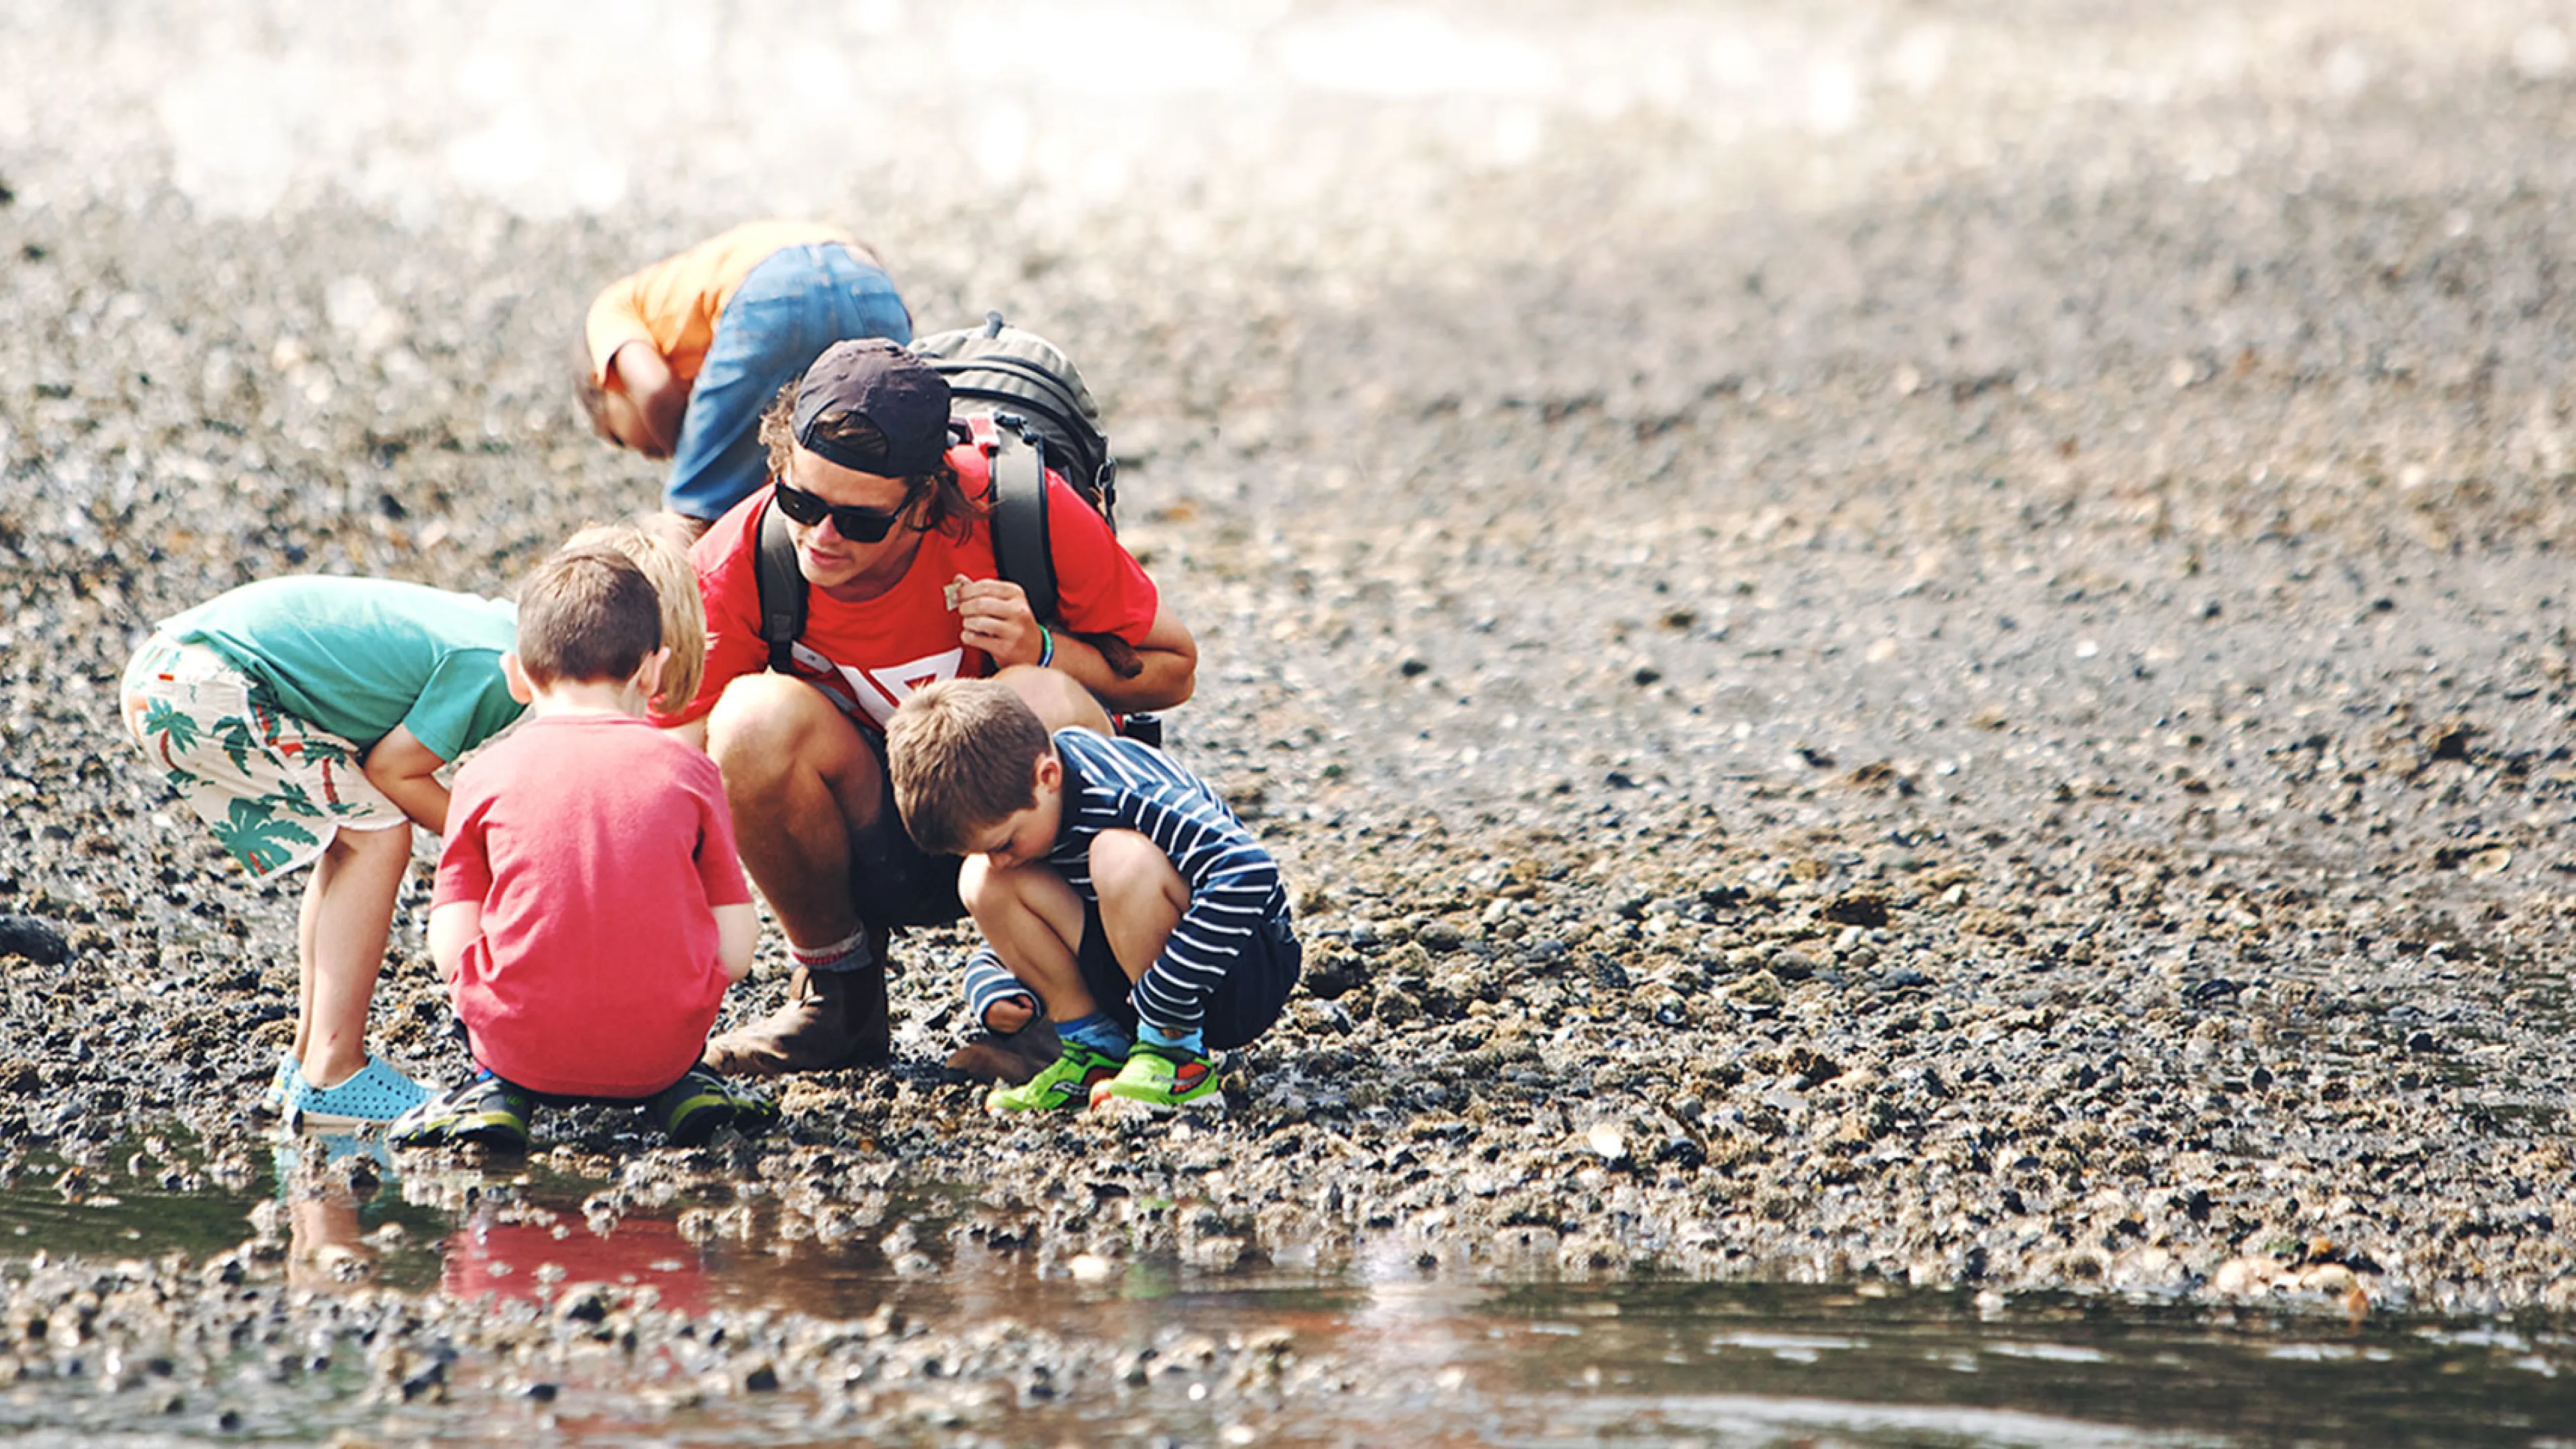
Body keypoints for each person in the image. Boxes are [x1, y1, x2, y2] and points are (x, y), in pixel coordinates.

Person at [657, 337, 1199, 1076]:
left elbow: (1173, 671)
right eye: (800, 501)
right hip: (869, 831)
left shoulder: (1019, 515)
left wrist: (1043, 646)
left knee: (1034, 694)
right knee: (749, 721)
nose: (822, 537)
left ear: (925, 499)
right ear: (780, 464)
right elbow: (661, 757)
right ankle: (837, 1001)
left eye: (859, 521)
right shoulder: (744, 559)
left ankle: (1069, 1013)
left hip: (1024, 827)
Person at [390, 529, 777, 1150]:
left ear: (517, 677)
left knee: (494, 999)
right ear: (655, 671)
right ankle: (678, 1087)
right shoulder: (692, 773)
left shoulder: (481, 775)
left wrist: (484, 995)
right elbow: (737, 947)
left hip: (520, 1042)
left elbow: (450, 938)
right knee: (669, 1022)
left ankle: (497, 1092)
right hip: (662, 1044)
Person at [121, 575, 524, 1126]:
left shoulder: (498, 624)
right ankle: (335, 1072)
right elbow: (392, 770)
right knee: (378, 840)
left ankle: (308, 1063)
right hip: (202, 684)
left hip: (167, 665)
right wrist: (501, 852)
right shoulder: (495, 664)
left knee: (351, 840)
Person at [885, 678, 1300, 1112]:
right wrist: (993, 982)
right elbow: (1051, 911)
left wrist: (1166, 992)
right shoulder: (1033, 813)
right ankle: (1095, 1053)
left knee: (1118, 856)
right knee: (980, 877)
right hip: (1138, 984)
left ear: (1047, 776)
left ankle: (1177, 1059)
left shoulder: (1121, 790)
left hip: (1239, 967)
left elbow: (1248, 871)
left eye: (1005, 843)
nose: (1003, 859)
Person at [578, 219, 914, 530]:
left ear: (604, 382)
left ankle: (685, 592)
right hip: (867, 278)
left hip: (774, 289)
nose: (644, 453)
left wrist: (690, 461)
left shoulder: (611, 308)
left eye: (618, 438)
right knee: (884, 468)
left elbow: (656, 393)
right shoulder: (683, 299)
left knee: (692, 511)